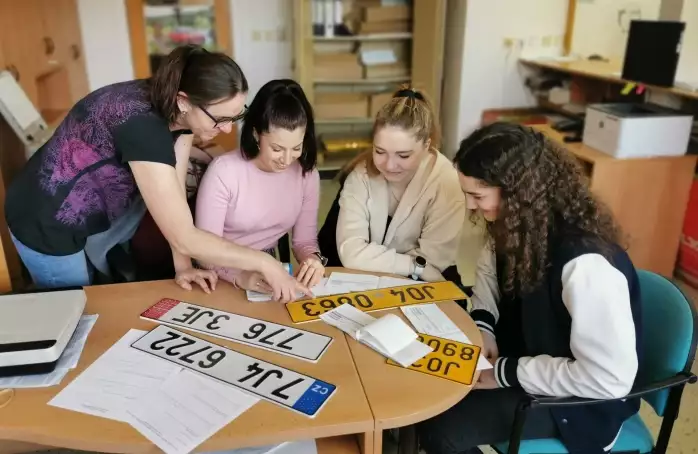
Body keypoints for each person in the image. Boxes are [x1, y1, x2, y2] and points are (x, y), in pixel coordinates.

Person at [4, 44, 309, 302]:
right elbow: (184, 236)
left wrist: (183, 266)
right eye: (220, 119)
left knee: (98, 301)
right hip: (45, 221)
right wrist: (263, 262)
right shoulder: (143, 127)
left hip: (87, 212)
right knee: (73, 310)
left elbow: (174, 199)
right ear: (184, 100)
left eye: (236, 117)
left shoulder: (178, 111)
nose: (228, 130)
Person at [416, 122, 642, 454]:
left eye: (477, 196)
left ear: (517, 192)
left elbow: (608, 379)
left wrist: (505, 372)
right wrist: (484, 328)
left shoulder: (586, 264)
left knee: (441, 425)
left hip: (579, 404)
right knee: (429, 392)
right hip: (525, 366)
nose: (471, 206)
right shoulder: (520, 222)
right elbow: (489, 275)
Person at [318, 86, 465, 284]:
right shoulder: (361, 174)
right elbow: (350, 253)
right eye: (379, 151)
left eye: (403, 155)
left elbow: (433, 262)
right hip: (370, 281)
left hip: (421, 284)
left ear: (426, 145)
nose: (389, 165)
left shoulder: (447, 183)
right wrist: (414, 265)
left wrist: (373, 260)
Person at [195, 79, 325, 293]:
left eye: (296, 148)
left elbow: (304, 241)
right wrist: (240, 276)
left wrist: (313, 261)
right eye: (277, 148)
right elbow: (203, 251)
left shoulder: (306, 175)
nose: (286, 159)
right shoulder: (225, 172)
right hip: (217, 272)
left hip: (268, 269)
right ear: (256, 134)